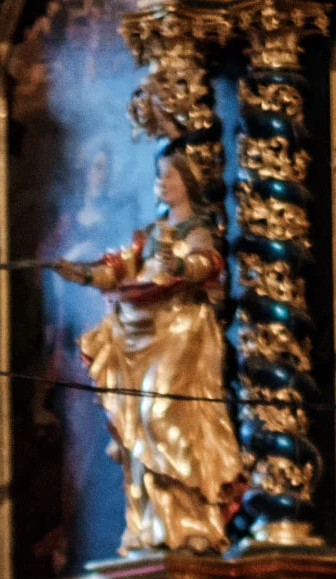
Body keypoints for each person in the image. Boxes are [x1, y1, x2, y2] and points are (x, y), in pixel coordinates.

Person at [51, 151, 247, 555]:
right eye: (158, 175)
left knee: (163, 414)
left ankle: (196, 518)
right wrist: (81, 273)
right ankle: (158, 525)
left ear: (187, 183)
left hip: (182, 329)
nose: (162, 182)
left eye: (170, 175)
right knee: (139, 420)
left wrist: (182, 266)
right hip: (145, 331)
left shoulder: (195, 227)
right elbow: (118, 270)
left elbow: (207, 264)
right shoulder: (152, 233)